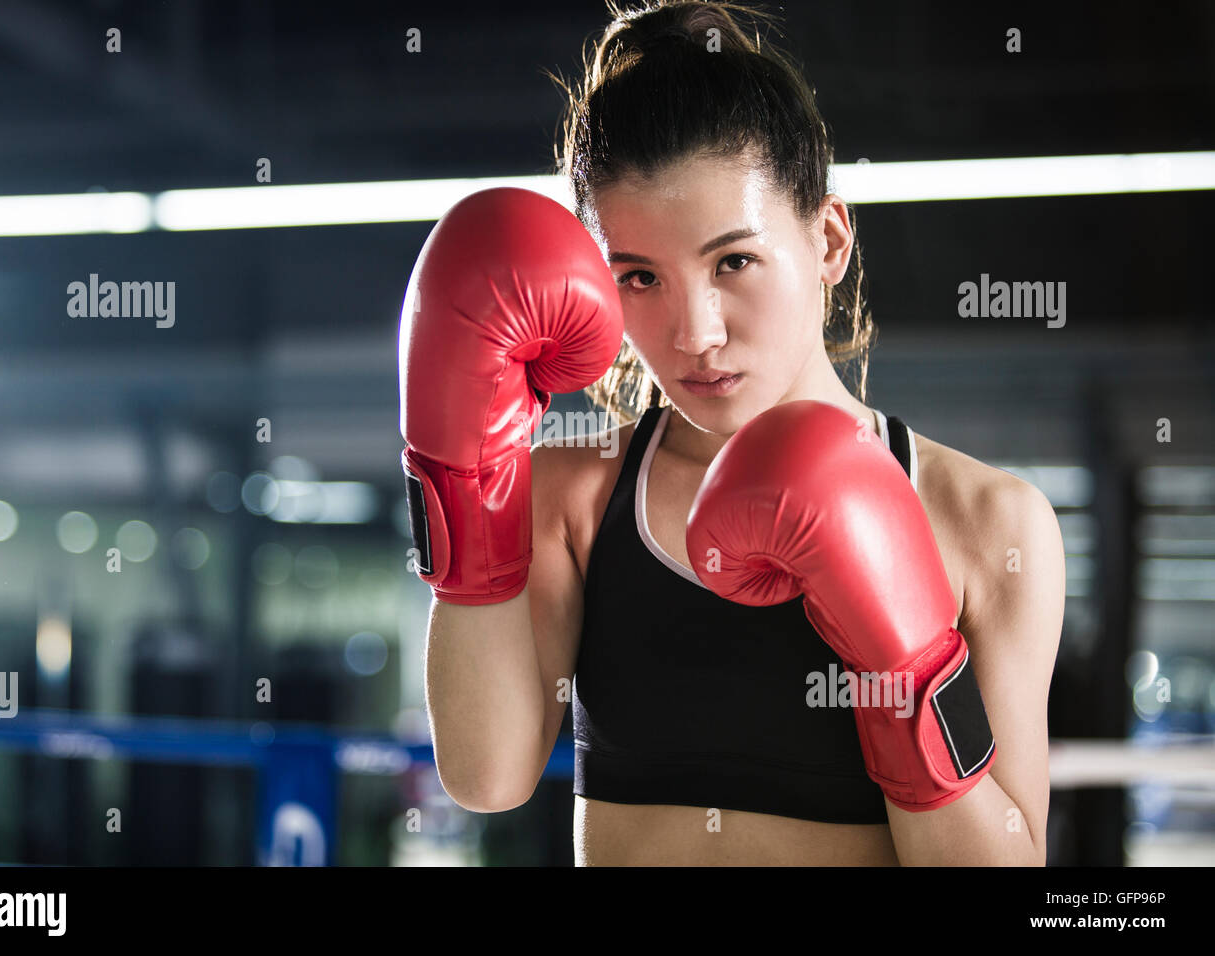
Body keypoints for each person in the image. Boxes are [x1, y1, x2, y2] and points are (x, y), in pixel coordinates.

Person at [402, 0, 1065, 866]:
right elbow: (485, 778)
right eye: (639, 276)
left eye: (733, 262)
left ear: (828, 239)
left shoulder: (988, 523)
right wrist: (464, 467)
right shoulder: (575, 498)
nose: (694, 334)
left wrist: (905, 669)